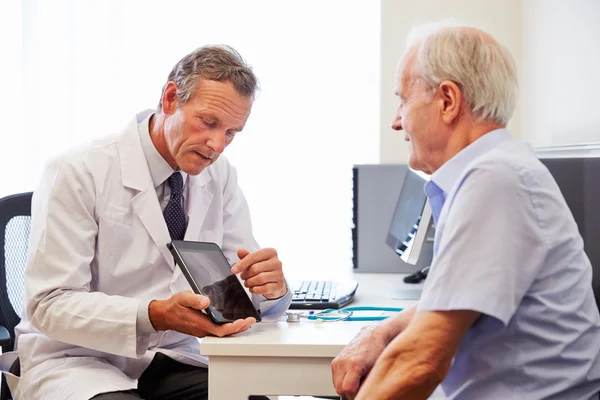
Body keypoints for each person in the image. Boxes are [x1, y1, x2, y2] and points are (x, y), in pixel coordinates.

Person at [331, 21, 600, 400]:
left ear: (447, 101)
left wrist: (391, 345)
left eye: (403, 101)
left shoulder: (495, 180)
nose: (396, 121)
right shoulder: (495, 170)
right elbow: (449, 300)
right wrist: (381, 332)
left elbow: (421, 362)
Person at [11, 45, 291, 400]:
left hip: (173, 357)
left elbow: (235, 286)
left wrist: (271, 289)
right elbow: (48, 304)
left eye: (232, 132)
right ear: (171, 98)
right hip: (79, 360)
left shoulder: (218, 176)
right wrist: (155, 315)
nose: (217, 144)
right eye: (208, 122)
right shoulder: (79, 170)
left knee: (250, 398)